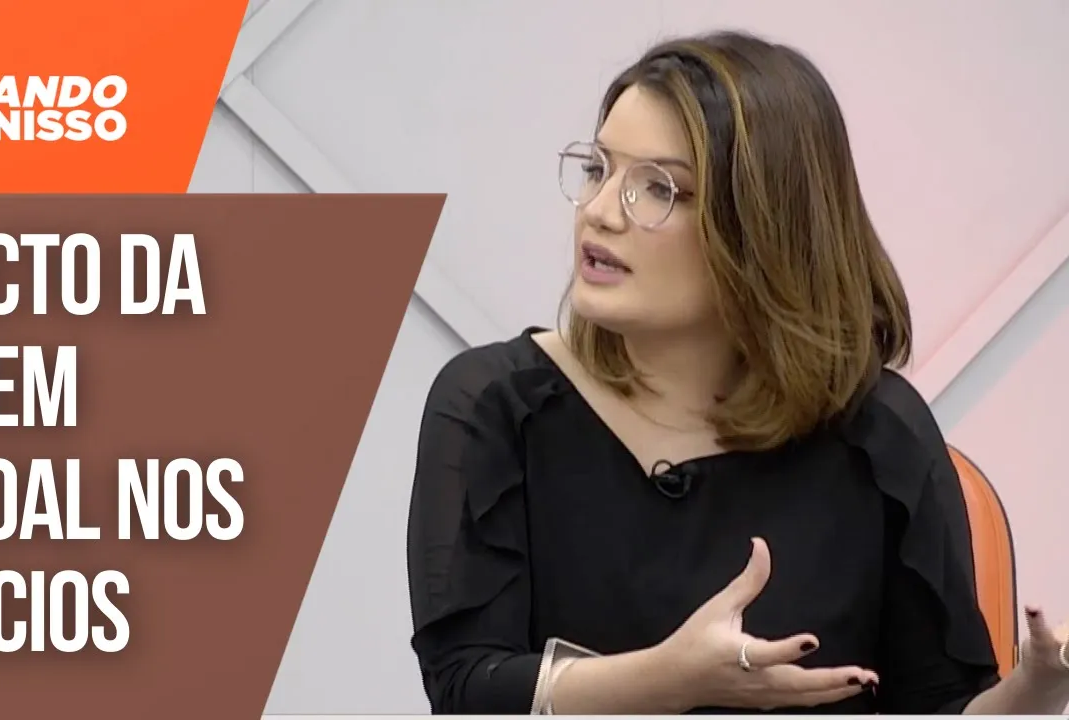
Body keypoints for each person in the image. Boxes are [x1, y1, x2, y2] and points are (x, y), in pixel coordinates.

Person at [404, 30, 1069, 715]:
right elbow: (467, 691)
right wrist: (671, 680)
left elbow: (938, 709)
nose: (599, 212)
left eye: (657, 188)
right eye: (598, 169)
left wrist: (1040, 689)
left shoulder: (879, 434)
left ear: (762, 226)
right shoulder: (495, 403)